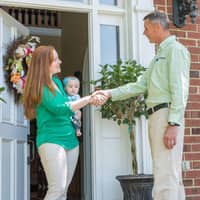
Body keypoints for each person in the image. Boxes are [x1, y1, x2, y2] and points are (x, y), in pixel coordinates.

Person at [94, 10, 190, 200]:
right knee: (168, 174)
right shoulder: (159, 55)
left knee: (165, 175)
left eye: (146, 28)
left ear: (156, 27)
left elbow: (180, 89)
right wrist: (109, 93)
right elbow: (139, 85)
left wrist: (173, 124)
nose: (144, 33)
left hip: (166, 115)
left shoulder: (175, 51)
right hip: (158, 116)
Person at [23, 45, 103, 200]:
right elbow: (60, 108)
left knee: (64, 190)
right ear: (45, 63)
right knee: (57, 188)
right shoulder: (40, 86)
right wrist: (88, 99)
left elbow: (68, 108)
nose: (60, 61)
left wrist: (76, 114)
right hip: (51, 140)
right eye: (56, 59)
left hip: (71, 140)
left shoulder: (57, 83)